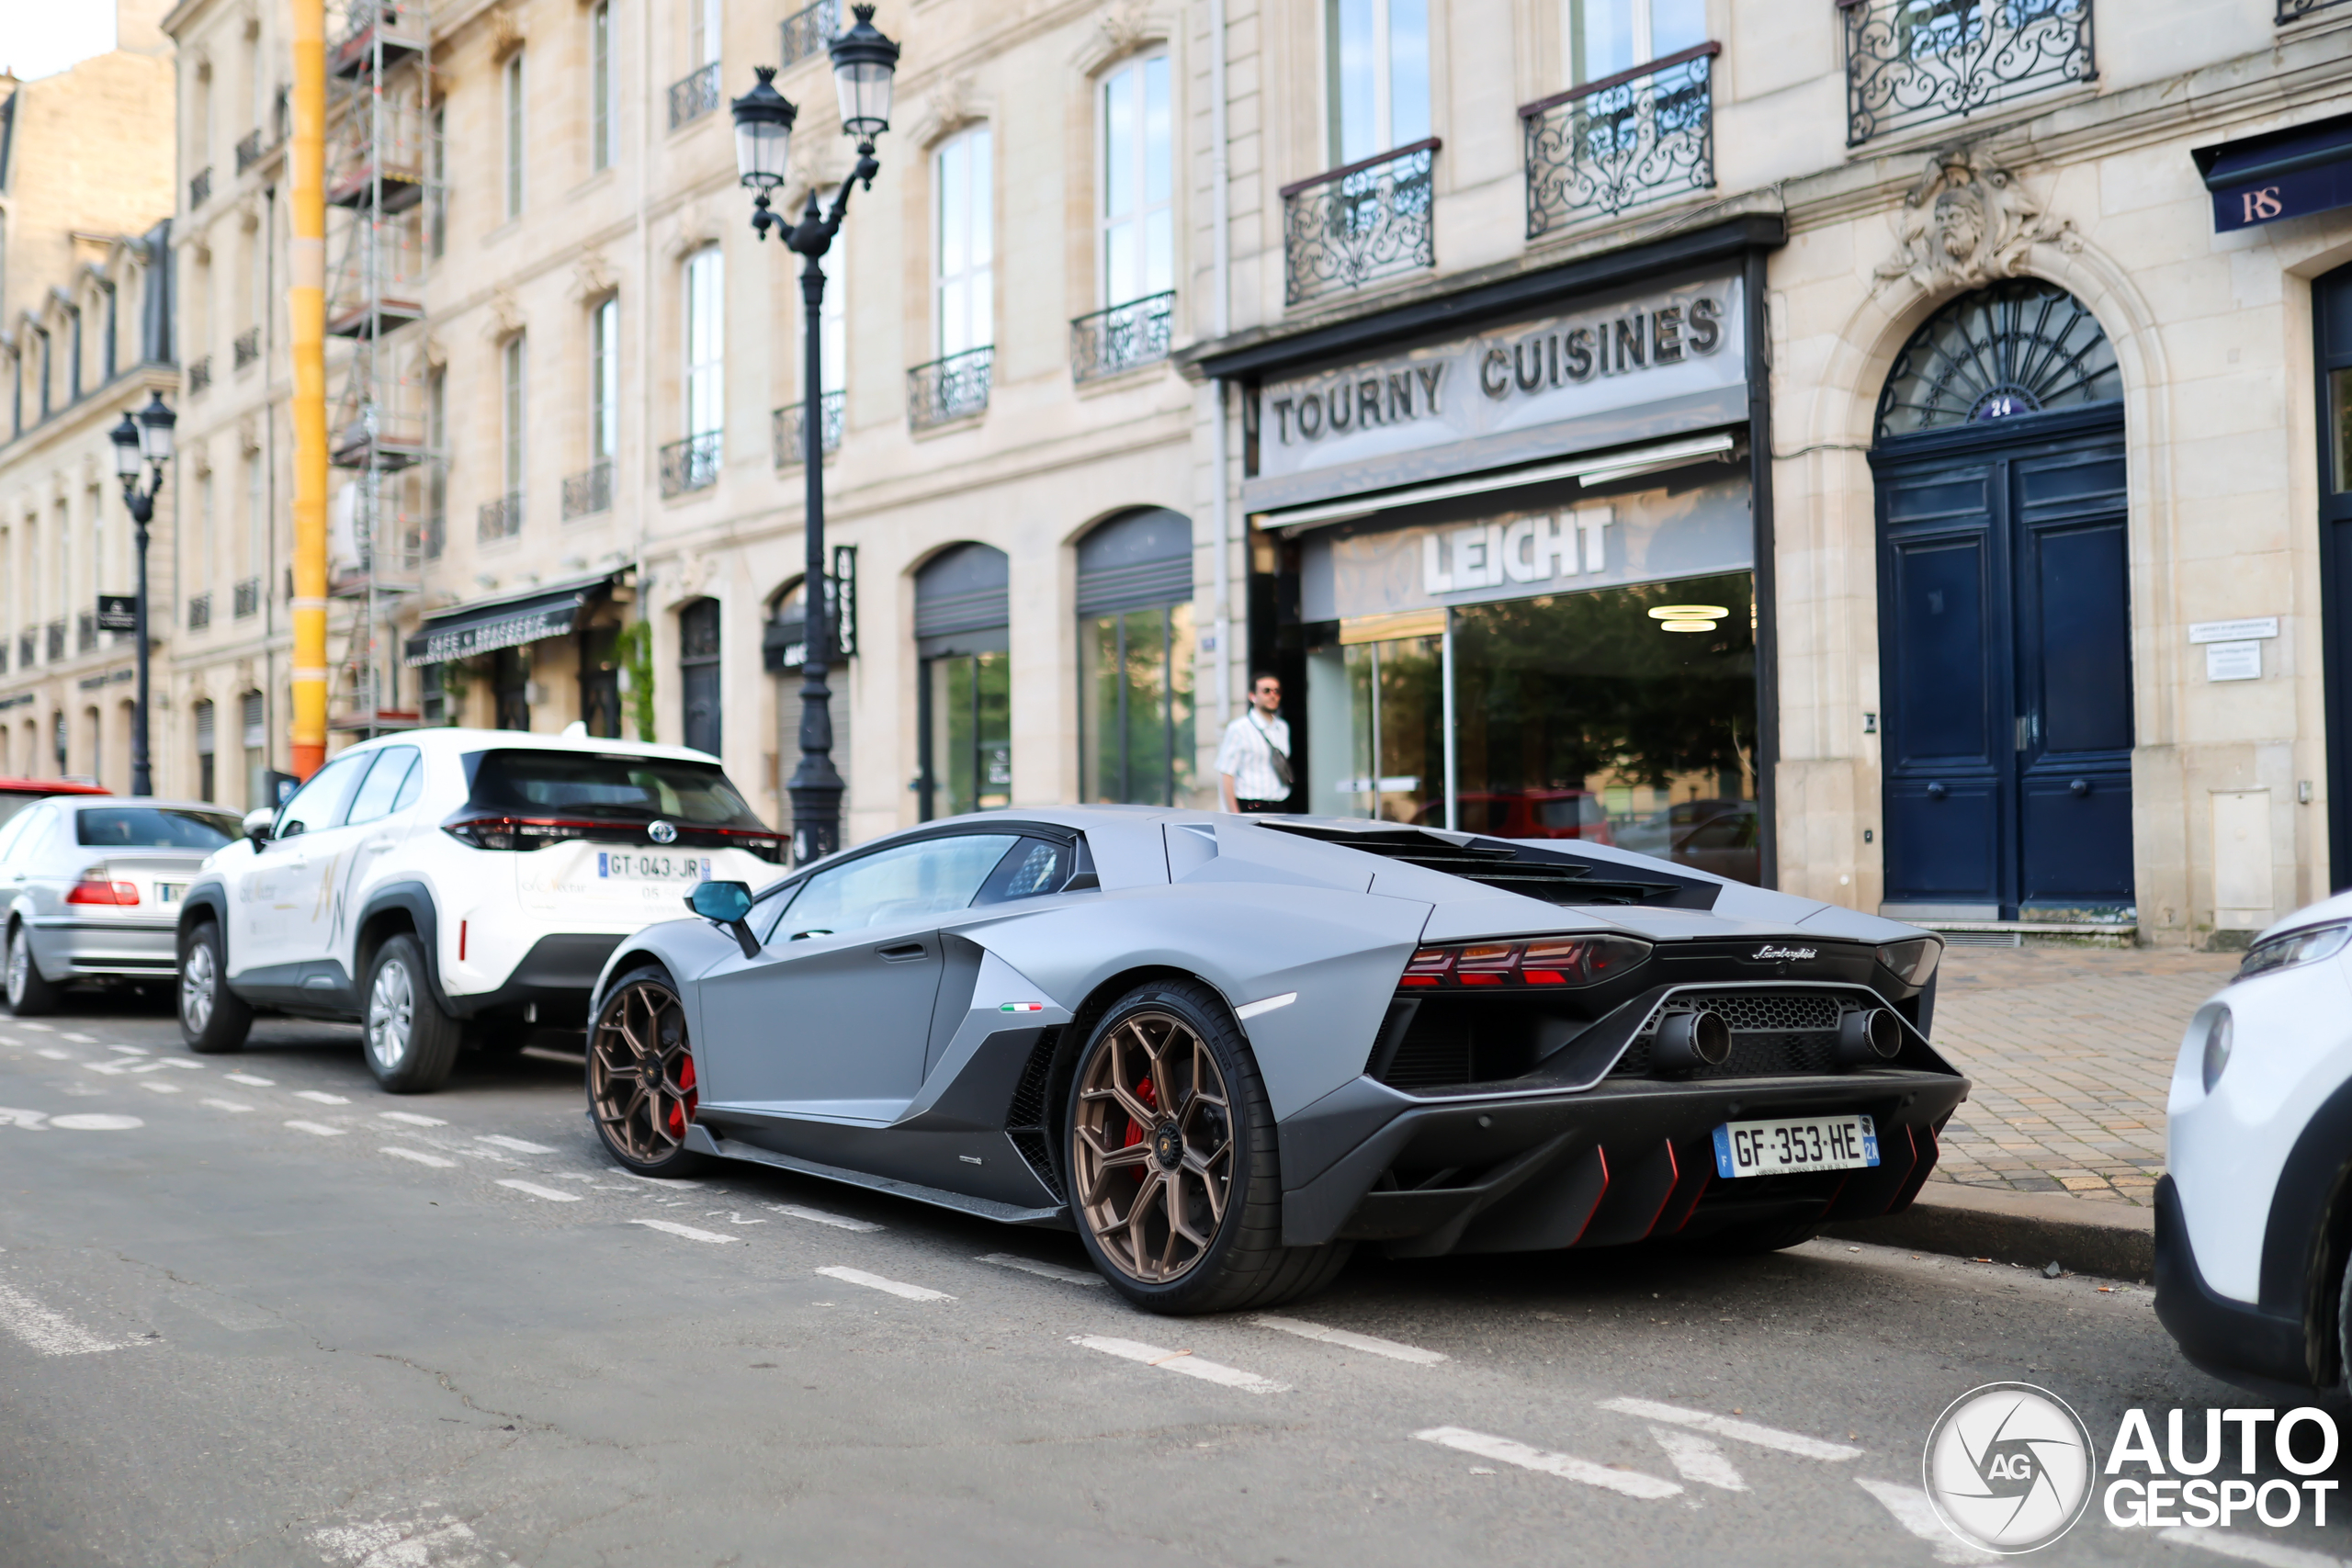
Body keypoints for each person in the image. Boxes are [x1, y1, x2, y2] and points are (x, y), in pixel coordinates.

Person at [1217, 671, 1293, 814]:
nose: (1273, 695)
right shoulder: (1239, 729)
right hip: (1251, 806)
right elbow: (1227, 774)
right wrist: (1234, 815)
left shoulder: (1282, 727)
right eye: (1266, 691)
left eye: (1277, 691)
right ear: (1252, 696)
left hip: (1279, 805)